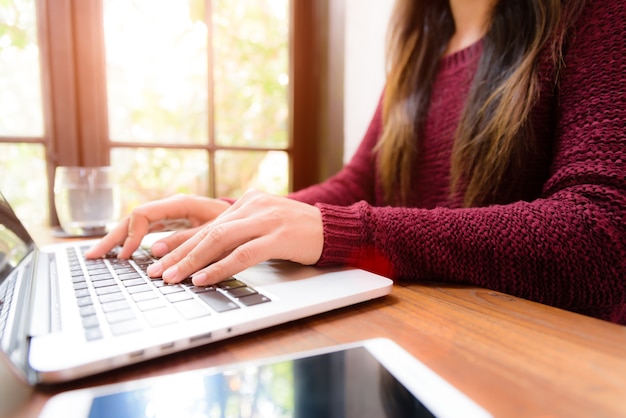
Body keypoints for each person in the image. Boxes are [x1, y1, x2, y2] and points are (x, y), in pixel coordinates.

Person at [86, 0, 626, 325]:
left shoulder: (595, 16)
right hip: (441, 335)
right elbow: (358, 183)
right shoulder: (420, 51)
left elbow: (602, 235)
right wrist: (236, 220)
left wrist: (342, 230)